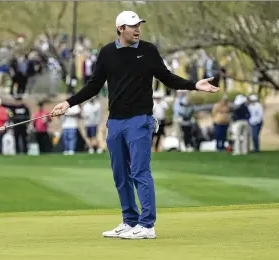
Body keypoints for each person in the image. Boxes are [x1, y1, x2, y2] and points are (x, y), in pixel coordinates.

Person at [50, 10, 219, 239]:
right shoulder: (107, 52)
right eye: (133, 26)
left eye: (139, 25)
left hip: (140, 119)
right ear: (121, 29)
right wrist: (68, 103)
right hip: (115, 122)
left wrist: (194, 85)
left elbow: (166, 77)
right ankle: (129, 221)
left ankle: (147, 225)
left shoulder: (148, 50)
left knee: (140, 171)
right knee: (120, 173)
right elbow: (93, 85)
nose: (138, 29)